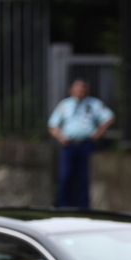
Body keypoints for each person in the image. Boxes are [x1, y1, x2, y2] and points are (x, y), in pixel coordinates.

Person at [48, 79, 115, 209]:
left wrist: (97, 134)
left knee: (85, 178)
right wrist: (60, 137)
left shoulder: (93, 103)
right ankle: (64, 207)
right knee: (65, 176)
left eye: (83, 88)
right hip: (69, 146)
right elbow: (52, 125)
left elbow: (109, 117)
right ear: (71, 90)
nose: (80, 91)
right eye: (77, 88)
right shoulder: (65, 105)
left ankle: (84, 208)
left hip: (86, 145)